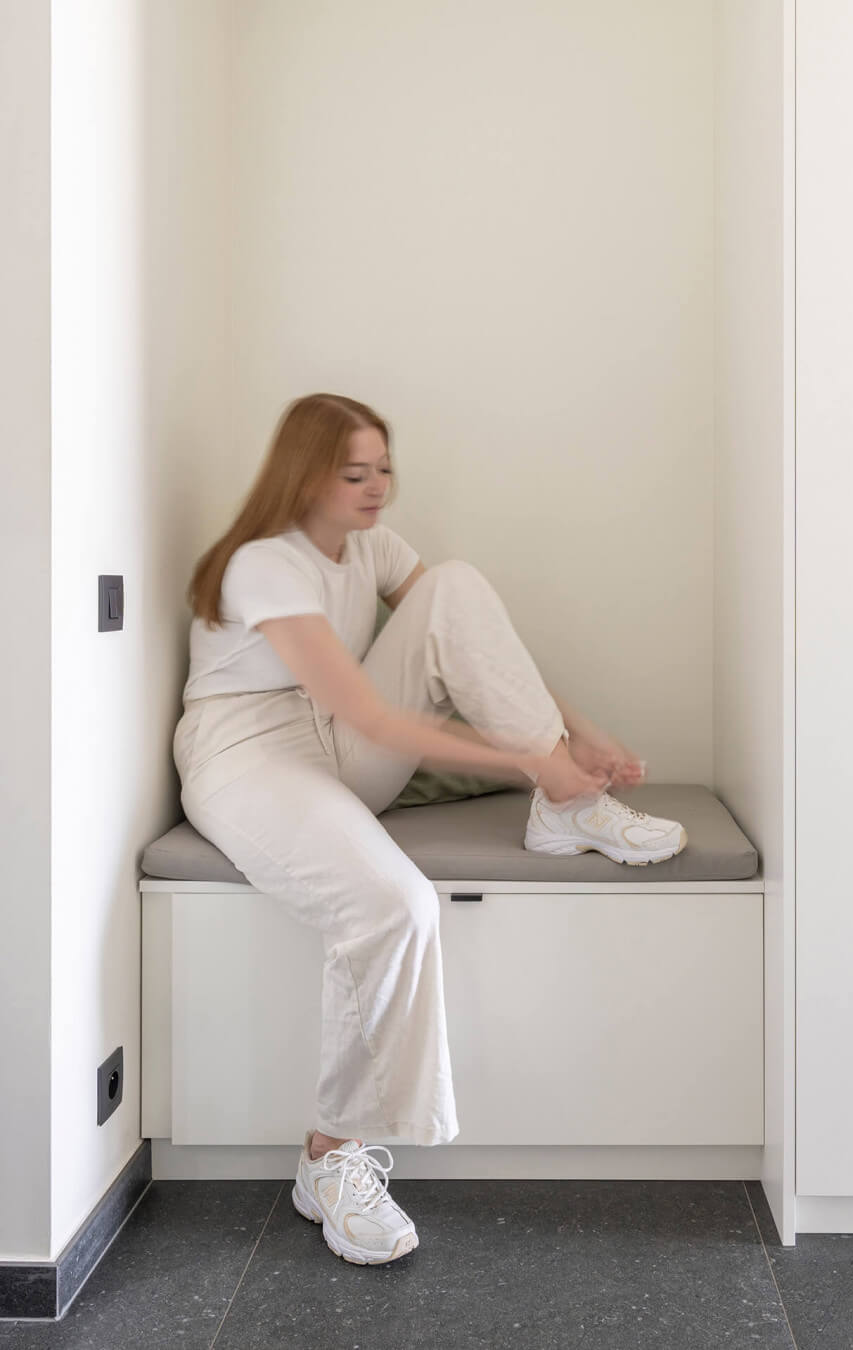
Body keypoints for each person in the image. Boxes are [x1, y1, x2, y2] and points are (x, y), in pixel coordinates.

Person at [173, 392, 688, 1267]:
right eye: (354, 472)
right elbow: (369, 715)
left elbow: (474, 645)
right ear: (305, 475)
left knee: (457, 583)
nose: (377, 487)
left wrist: (577, 738)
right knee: (395, 904)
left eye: (383, 468)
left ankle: (565, 815)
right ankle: (330, 1162)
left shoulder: (371, 548)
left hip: (330, 744)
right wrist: (532, 762)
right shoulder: (264, 564)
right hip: (250, 752)